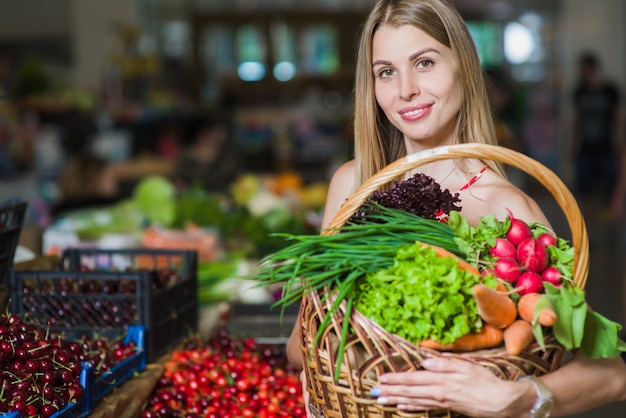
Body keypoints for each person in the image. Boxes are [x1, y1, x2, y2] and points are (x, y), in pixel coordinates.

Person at [286, 0, 626, 417]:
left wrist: (520, 399)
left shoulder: (509, 210)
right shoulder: (351, 184)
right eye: (386, 72)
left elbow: (612, 374)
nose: (405, 89)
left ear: (463, 65)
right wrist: (338, 368)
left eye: (424, 63)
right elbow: (298, 344)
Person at [569, 51, 624, 235]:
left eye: (582, 69)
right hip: (586, 148)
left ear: (591, 68)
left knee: (610, 189)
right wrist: (572, 145)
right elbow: (576, 120)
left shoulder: (610, 90)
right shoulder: (580, 90)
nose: (580, 72)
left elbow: (618, 119)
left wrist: (619, 145)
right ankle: (589, 230)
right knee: (584, 189)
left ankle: (611, 228)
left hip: (606, 148)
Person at [51, 153, 119, 218]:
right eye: (110, 177)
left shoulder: (59, 213)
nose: (116, 182)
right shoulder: (111, 209)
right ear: (93, 179)